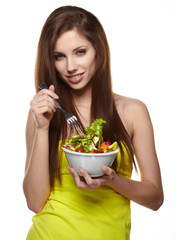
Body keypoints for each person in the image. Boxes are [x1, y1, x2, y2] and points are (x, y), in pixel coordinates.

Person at [23, 5, 164, 240]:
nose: (70, 66)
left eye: (80, 52)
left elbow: (155, 198)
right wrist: (42, 127)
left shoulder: (132, 111)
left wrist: (112, 180)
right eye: (59, 56)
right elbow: (34, 202)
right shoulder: (42, 115)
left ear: (98, 49)